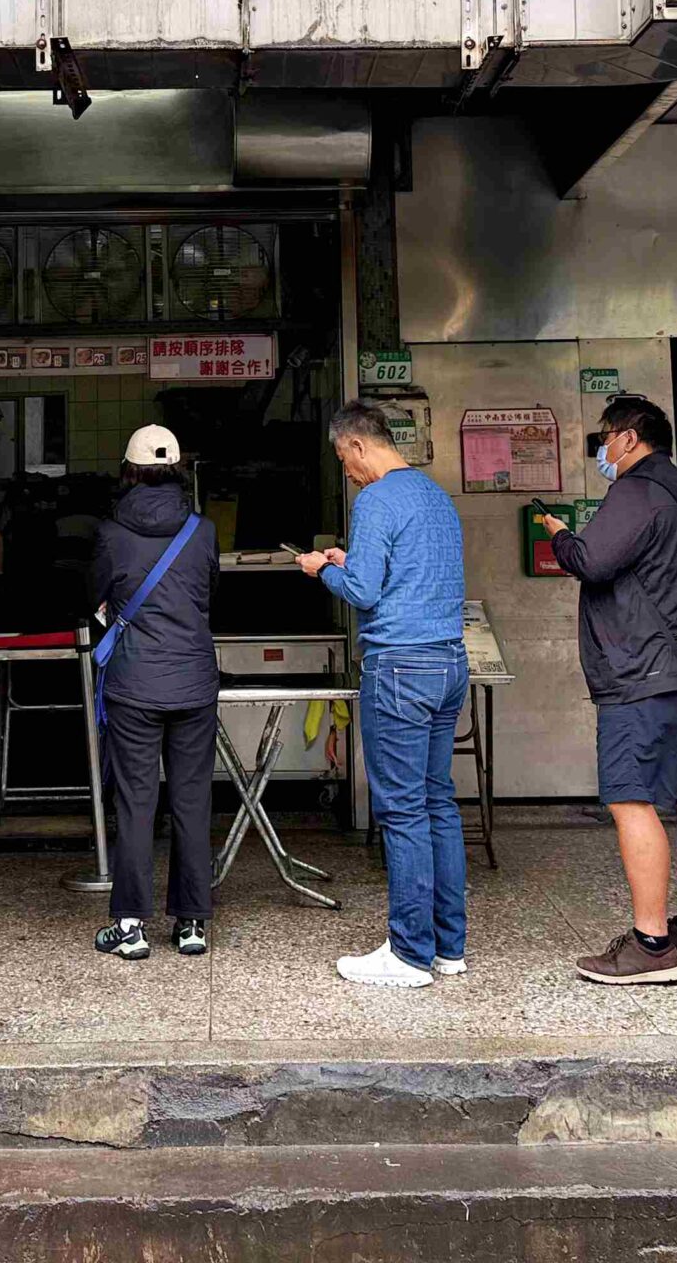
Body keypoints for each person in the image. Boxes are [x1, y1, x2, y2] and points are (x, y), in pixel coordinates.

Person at [538, 396, 677, 987]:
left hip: (642, 673)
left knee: (630, 798)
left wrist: (561, 533)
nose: (602, 450)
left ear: (625, 437)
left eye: (604, 439)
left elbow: (594, 562)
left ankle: (650, 944)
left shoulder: (637, 490)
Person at [297, 401, 468, 989]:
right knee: (438, 801)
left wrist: (321, 568)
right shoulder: (435, 496)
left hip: (399, 667)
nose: (346, 471)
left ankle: (409, 953)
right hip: (449, 662)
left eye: (344, 459)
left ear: (359, 446)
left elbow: (364, 592)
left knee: (401, 810)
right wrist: (352, 562)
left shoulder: (374, 500)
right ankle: (449, 946)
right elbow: (405, 574)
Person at [91, 425, 222, 962]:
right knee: (193, 801)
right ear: (178, 471)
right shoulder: (204, 531)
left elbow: (95, 596)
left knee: (136, 803)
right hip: (193, 680)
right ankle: (191, 924)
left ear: (127, 471)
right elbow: (209, 593)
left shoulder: (109, 533)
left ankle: (130, 927)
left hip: (135, 685)